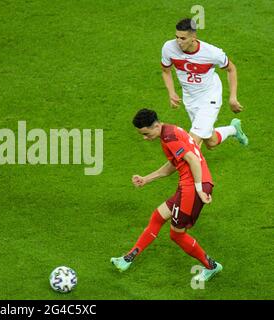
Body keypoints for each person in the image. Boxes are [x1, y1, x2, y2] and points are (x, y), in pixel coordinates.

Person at [111, 108, 222, 282]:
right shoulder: (170, 132)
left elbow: (192, 159)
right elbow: (173, 165)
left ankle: (212, 266)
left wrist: (199, 189)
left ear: (156, 125)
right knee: (157, 217)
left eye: (146, 133)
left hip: (192, 188)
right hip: (188, 186)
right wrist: (146, 179)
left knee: (177, 234)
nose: (145, 138)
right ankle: (127, 259)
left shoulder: (169, 137)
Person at [161, 18, 248, 149]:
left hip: (209, 96)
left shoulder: (212, 53)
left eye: (183, 38)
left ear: (193, 37)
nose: (178, 42)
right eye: (177, 37)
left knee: (192, 144)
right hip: (190, 98)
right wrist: (171, 92)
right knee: (211, 142)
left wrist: (233, 97)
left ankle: (188, 169)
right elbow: (165, 71)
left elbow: (231, 69)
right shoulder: (169, 48)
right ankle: (234, 129)